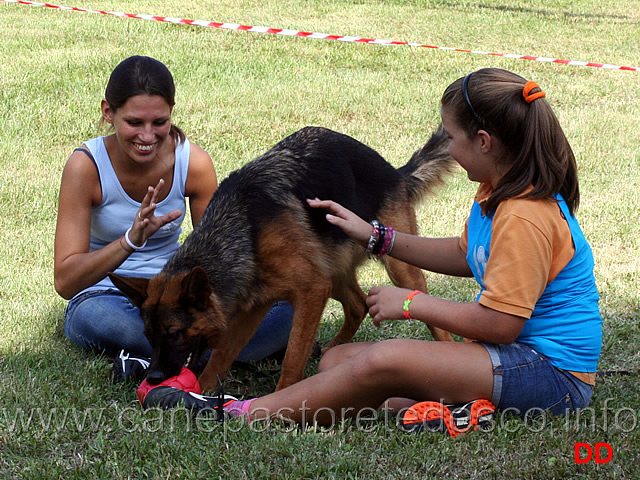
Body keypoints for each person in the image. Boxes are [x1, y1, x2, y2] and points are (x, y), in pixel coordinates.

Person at [219, 68, 602, 431]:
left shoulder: (524, 216)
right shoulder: (494, 194)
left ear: (484, 142)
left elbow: (499, 326)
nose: (448, 148)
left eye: (451, 138)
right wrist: (376, 237)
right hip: (510, 359)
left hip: (550, 374)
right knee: (336, 363)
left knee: (384, 360)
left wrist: (411, 303)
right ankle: (459, 407)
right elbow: (462, 254)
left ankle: (247, 412)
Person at [54, 56, 293, 382]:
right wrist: (129, 241)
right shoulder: (86, 166)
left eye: (160, 122)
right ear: (108, 112)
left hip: (176, 303)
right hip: (106, 296)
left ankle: (154, 360)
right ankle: (205, 353)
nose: (148, 136)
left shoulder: (192, 163)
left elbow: (220, 258)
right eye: (134, 123)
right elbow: (66, 282)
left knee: (285, 312)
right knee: (111, 324)